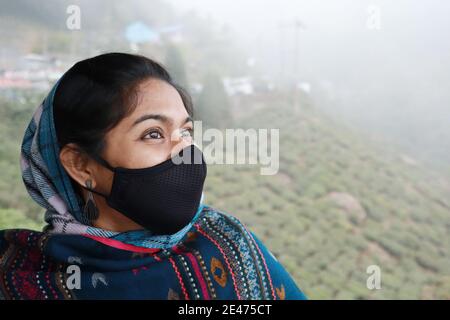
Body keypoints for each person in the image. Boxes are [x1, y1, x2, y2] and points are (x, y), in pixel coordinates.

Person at [0, 53, 306, 300]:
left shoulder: (225, 245)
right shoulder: (14, 275)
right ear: (81, 165)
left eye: (185, 131)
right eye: (153, 133)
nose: (184, 150)